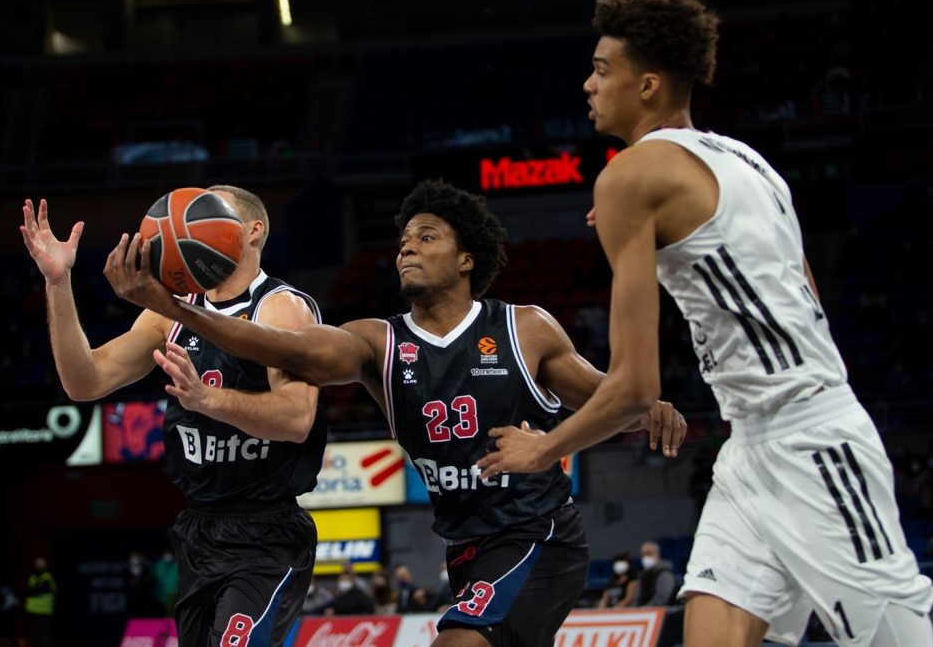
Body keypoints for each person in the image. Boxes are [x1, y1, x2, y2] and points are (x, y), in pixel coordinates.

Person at [476, 0, 933, 647]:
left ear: (650, 85)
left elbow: (634, 389)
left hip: (813, 440)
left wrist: (544, 448)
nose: (588, 84)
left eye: (604, 70)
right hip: (752, 445)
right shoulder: (750, 162)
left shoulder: (631, 176)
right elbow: (804, 293)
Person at [103, 178, 687, 647]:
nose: (407, 246)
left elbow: (616, 399)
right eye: (404, 238)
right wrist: (176, 307)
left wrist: (642, 414)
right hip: (463, 547)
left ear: (466, 258)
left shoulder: (523, 327)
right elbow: (292, 350)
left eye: (427, 237)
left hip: (539, 534)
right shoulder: (379, 343)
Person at [19, 186, 326, 647]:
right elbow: (85, 382)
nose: (196, 214)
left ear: (253, 231)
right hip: (198, 530)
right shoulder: (170, 316)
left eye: (212, 209)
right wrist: (58, 283)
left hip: (267, 530)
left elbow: (297, 418)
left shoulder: (281, 307)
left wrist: (208, 400)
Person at [625, 540, 676, 607]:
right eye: (643, 554)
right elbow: (637, 598)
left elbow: (662, 598)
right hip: (642, 612)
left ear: (657, 554)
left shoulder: (665, 574)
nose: (646, 557)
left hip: (659, 613)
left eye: (649, 553)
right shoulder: (642, 575)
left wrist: (645, 609)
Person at [23, 557, 56, 647]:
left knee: (43, 637)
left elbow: (42, 589)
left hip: (43, 613)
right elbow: (27, 591)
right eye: (37, 564)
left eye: (41, 564)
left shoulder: (47, 577)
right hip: (32, 612)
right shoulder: (33, 577)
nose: (39, 566)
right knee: (35, 637)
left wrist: (33, 591)